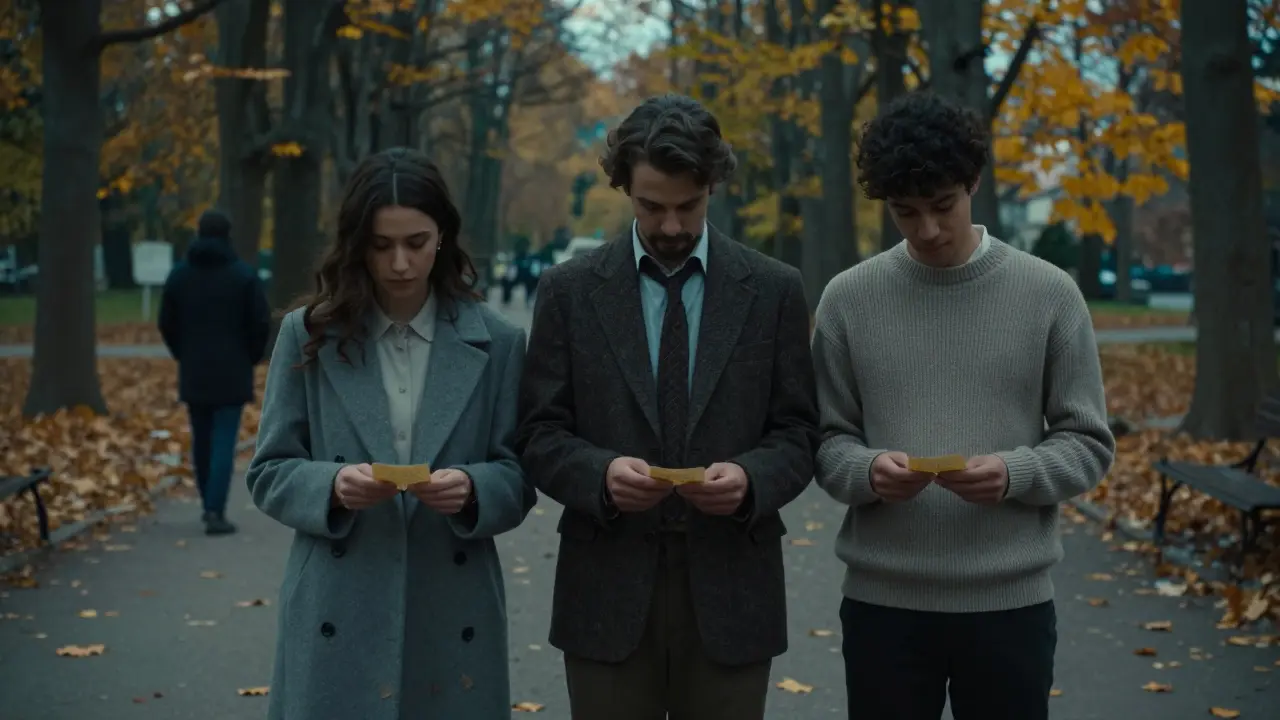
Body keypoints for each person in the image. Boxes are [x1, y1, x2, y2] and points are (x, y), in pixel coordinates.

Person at [811, 90, 1116, 720]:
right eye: (905, 212)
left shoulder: (1050, 294)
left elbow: (1087, 442)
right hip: (883, 604)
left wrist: (1016, 474)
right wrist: (866, 471)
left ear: (973, 182)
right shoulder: (847, 300)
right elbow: (823, 440)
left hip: (1010, 603)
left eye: (942, 206)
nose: (926, 230)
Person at [516, 93, 819, 720]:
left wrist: (750, 479)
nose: (673, 226)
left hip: (733, 585)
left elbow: (798, 432)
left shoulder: (773, 290)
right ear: (624, 187)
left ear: (713, 187)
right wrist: (597, 475)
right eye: (652, 207)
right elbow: (539, 433)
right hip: (605, 586)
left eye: (690, 206)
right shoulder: (569, 291)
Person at [246, 147, 534, 719]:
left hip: (453, 601)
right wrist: (331, 485)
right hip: (338, 594)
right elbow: (269, 469)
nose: (400, 262)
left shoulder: (498, 342)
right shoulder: (309, 335)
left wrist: (474, 489)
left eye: (416, 242)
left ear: (443, 238)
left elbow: (520, 473)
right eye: (382, 246)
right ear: (358, 244)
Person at [158, 209, 270, 535]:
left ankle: (207, 498)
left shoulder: (180, 276)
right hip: (232, 368)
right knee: (224, 441)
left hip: (194, 368)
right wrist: (249, 356)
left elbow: (166, 322)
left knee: (201, 439)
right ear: (228, 235)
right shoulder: (243, 276)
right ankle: (214, 510)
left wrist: (183, 353)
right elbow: (259, 323)